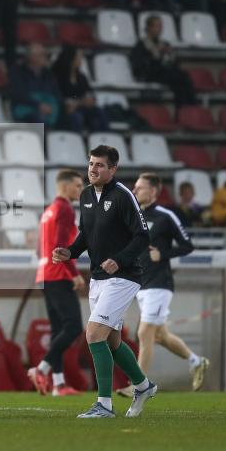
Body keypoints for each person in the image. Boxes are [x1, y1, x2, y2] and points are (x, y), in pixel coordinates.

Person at [52, 145, 155, 418]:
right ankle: (143, 386)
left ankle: (104, 405)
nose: (93, 169)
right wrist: (70, 252)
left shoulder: (123, 196)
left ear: (113, 169)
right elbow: (86, 235)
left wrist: (119, 259)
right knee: (111, 342)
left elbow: (142, 237)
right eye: (91, 163)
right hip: (98, 278)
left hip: (123, 277)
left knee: (93, 334)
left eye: (100, 165)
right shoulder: (85, 195)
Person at [128, 173, 209, 394]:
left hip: (160, 283)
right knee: (159, 336)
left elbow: (187, 245)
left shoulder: (165, 216)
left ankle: (139, 386)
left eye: (140, 188)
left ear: (153, 191)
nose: (134, 192)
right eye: (134, 187)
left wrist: (163, 253)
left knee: (144, 333)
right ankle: (195, 361)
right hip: (141, 284)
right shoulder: (133, 216)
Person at [29, 169, 86, 397]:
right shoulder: (64, 209)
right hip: (59, 273)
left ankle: (59, 384)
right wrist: (74, 273)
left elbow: (38, 248)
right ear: (64, 187)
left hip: (45, 274)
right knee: (73, 327)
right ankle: (41, 369)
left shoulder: (49, 211)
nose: (80, 190)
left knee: (58, 330)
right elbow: (62, 246)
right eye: (78, 186)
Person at [130, 15, 198, 108]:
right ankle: (187, 107)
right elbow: (140, 66)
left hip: (165, 72)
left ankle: (189, 107)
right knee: (179, 78)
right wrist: (156, 53)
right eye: (157, 26)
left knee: (183, 77)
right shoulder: (140, 46)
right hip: (151, 74)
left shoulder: (165, 44)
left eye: (161, 26)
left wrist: (169, 55)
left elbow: (174, 62)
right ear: (149, 28)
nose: (160, 29)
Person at [51, 45, 109, 132]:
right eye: (79, 57)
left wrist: (89, 100)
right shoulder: (57, 76)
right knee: (76, 117)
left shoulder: (82, 77)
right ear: (71, 59)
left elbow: (90, 93)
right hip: (64, 109)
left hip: (81, 107)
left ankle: (104, 140)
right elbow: (59, 97)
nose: (81, 59)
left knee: (99, 112)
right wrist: (77, 102)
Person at [8, 42, 62, 127]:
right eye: (42, 55)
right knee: (39, 120)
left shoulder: (49, 74)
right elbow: (18, 94)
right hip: (27, 109)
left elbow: (57, 94)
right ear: (32, 57)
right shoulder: (17, 72)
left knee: (73, 118)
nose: (45, 57)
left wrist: (52, 106)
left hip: (49, 109)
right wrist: (38, 105)